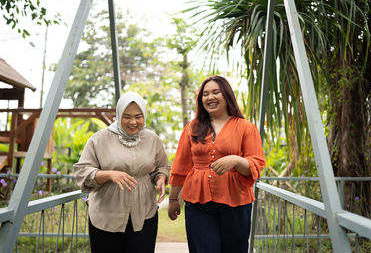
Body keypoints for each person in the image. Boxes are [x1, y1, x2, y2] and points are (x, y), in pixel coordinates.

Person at [168, 75, 266, 253]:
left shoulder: (246, 128)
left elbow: (256, 164)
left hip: (236, 202)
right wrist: (174, 199)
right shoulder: (192, 127)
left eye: (215, 92)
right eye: (205, 94)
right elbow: (180, 167)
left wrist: (236, 160)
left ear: (227, 95)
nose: (210, 97)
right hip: (198, 202)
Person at [74, 92, 169, 253]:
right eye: (127, 117)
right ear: (118, 116)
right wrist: (110, 174)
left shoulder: (152, 139)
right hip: (107, 216)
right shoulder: (99, 139)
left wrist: (160, 178)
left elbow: (161, 166)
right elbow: (82, 172)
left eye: (138, 116)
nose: (133, 122)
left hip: (144, 213)